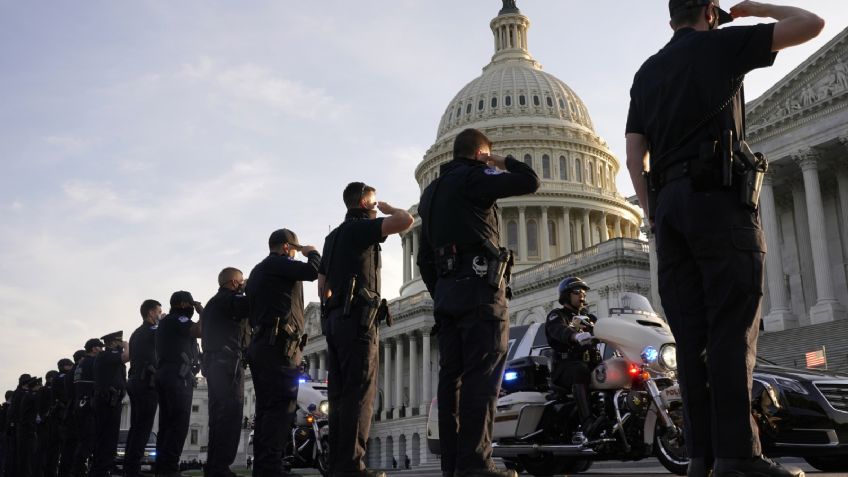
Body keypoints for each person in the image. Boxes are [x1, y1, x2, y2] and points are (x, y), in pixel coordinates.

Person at [625, 2, 824, 476]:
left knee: (691, 341)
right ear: (711, 12)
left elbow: (635, 157)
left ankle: (700, 457)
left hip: (668, 210)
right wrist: (752, 8)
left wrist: (654, 216)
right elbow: (812, 25)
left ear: (671, 17)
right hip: (717, 200)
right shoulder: (721, 44)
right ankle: (738, 456)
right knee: (731, 330)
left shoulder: (646, 71)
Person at [417, 128, 539, 477]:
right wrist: (499, 161)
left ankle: (454, 466)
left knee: (450, 381)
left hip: (447, 294)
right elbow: (529, 180)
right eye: (487, 155)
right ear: (479, 154)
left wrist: (440, 290)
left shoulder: (431, 193)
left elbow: (425, 257)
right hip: (480, 290)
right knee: (482, 378)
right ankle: (476, 463)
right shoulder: (476, 177)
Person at [318, 182, 412, 477]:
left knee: (339, 397)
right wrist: (389, 210)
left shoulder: (331, 238)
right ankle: (353, 466)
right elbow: (406, 221)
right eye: (372, 203)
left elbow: (322, 287)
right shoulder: (360, 227)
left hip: (334, 322)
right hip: (357, 319)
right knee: (360, 394)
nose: (375, 207)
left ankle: (338, 466)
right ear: (362, 204)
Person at [246, 229, 321, 477]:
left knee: (267, 410)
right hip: (279, 347)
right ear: (287, 247)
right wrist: (311, 253)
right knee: (281, 409)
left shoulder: (257, 271)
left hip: (263, 346)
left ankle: (264, 468)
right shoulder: (279, 264)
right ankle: (272, 468)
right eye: (294, 250)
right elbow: (312, 271)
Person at [201, 267, 250, 477]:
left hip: (215, 364)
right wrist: (251, 288)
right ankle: (220, 467)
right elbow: (251, 306)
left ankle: (214, 466)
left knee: (218, 417)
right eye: (241, 281)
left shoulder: (213, 303)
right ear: (233, 282)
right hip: (228, 364)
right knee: (230, 416)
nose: (243, 284)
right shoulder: (229, 300)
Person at [544, 277, 602, 440]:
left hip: (590, 363)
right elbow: (559, 330)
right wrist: (575, 336)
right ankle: (587, 423)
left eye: (583, 292)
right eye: (577, 292)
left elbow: (604, 328)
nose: (581, 295)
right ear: (566, 295)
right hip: (565, 367)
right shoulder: (557, 315)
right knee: (580, 370)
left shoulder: (589, 317)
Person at [155, 292, 203, 477]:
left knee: (167, 424)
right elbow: (200, 331)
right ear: (183, 304)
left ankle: (162, 468)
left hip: (167, 373)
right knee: (178, 424)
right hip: (178, 375)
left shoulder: (167, 322)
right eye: (191, 303)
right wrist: (202, 312)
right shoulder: (178, 318)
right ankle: (169, 469)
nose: (192, 306)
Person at [125, 299, 161, 477]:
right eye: (159, 312)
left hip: (134, 381)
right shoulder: (153, 330)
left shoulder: (136, 333)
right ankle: (133, 469)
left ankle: (129, 468)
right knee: (143, 429)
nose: (160, 315)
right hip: (146, 382)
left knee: (136, 428)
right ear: (151, 313)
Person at [89, 331, 129, 477]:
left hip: (113, 400)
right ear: (112, 343)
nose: (121, 344)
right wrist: (127, 346)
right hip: (105, 400)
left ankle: (107, 466)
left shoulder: (111, 357)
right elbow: (127, 356)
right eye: (120, 342)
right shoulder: (106, 355)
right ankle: (99, 469)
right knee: (104, 437)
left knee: (111, 437)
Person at [71, 339, 104, 477]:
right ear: (94, 349)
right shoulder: (93, 362)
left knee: (83, 441)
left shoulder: (81, 364)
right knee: (90, 442)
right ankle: (80, 471)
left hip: (80, 404)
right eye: (100, 347)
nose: (102, 350)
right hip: (90, 405)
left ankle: (77, 470)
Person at [57, 351, 86, 477]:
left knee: (68, 449)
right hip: (73, 413)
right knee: (72, 448)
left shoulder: (69, 375)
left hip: (68, 414)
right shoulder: (72, 374)